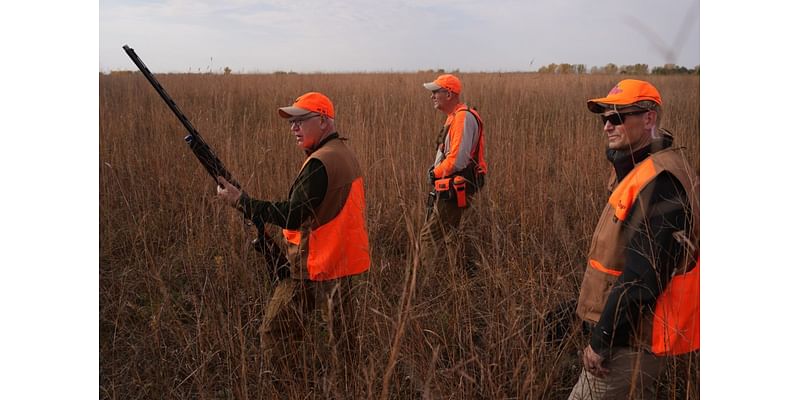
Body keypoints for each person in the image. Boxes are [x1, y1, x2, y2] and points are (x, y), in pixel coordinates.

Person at [216, 92, 370, 368]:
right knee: (343, 340)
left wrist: (242, 202)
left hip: (313, 265)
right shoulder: (343, 153)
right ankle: (351, 385)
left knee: (274, 334)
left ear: (323, 121)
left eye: (300, 120)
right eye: (291, 122)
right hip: (340, 262)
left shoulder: (319, 163)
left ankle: (291, 386)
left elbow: (293, 215)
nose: (293, 127)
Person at [569, 79, 700, 399]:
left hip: (632, 342)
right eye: (604, 118)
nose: (607, 126)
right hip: (630, 333)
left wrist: (602, 340)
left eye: (617, 117)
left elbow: (642, 279)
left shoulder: (660, 182)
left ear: (649, 119)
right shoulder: (643, 168)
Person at [420, 74, 487, 275]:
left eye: (435, 92)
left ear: (448, 94)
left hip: (456, 186)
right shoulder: (455, 117)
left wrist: (435, 173)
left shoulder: (462, 118)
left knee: (428, 236)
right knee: (453, 234)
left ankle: (429, 284)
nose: (432, 96)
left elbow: (458, 160)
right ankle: (463, 275)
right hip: (453, 185)